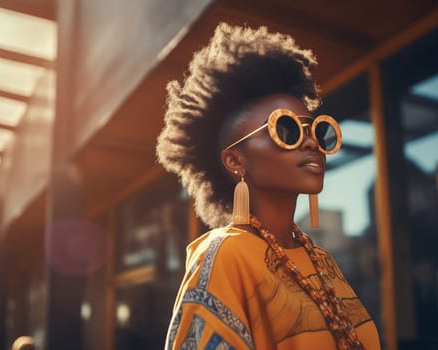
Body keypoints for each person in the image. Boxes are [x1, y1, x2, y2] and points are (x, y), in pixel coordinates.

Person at [156, 22, 381, 350]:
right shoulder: (224, 256)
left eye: (317, 130)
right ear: (236, 161)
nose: (311, 143)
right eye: (287, 130)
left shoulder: (322, 261)